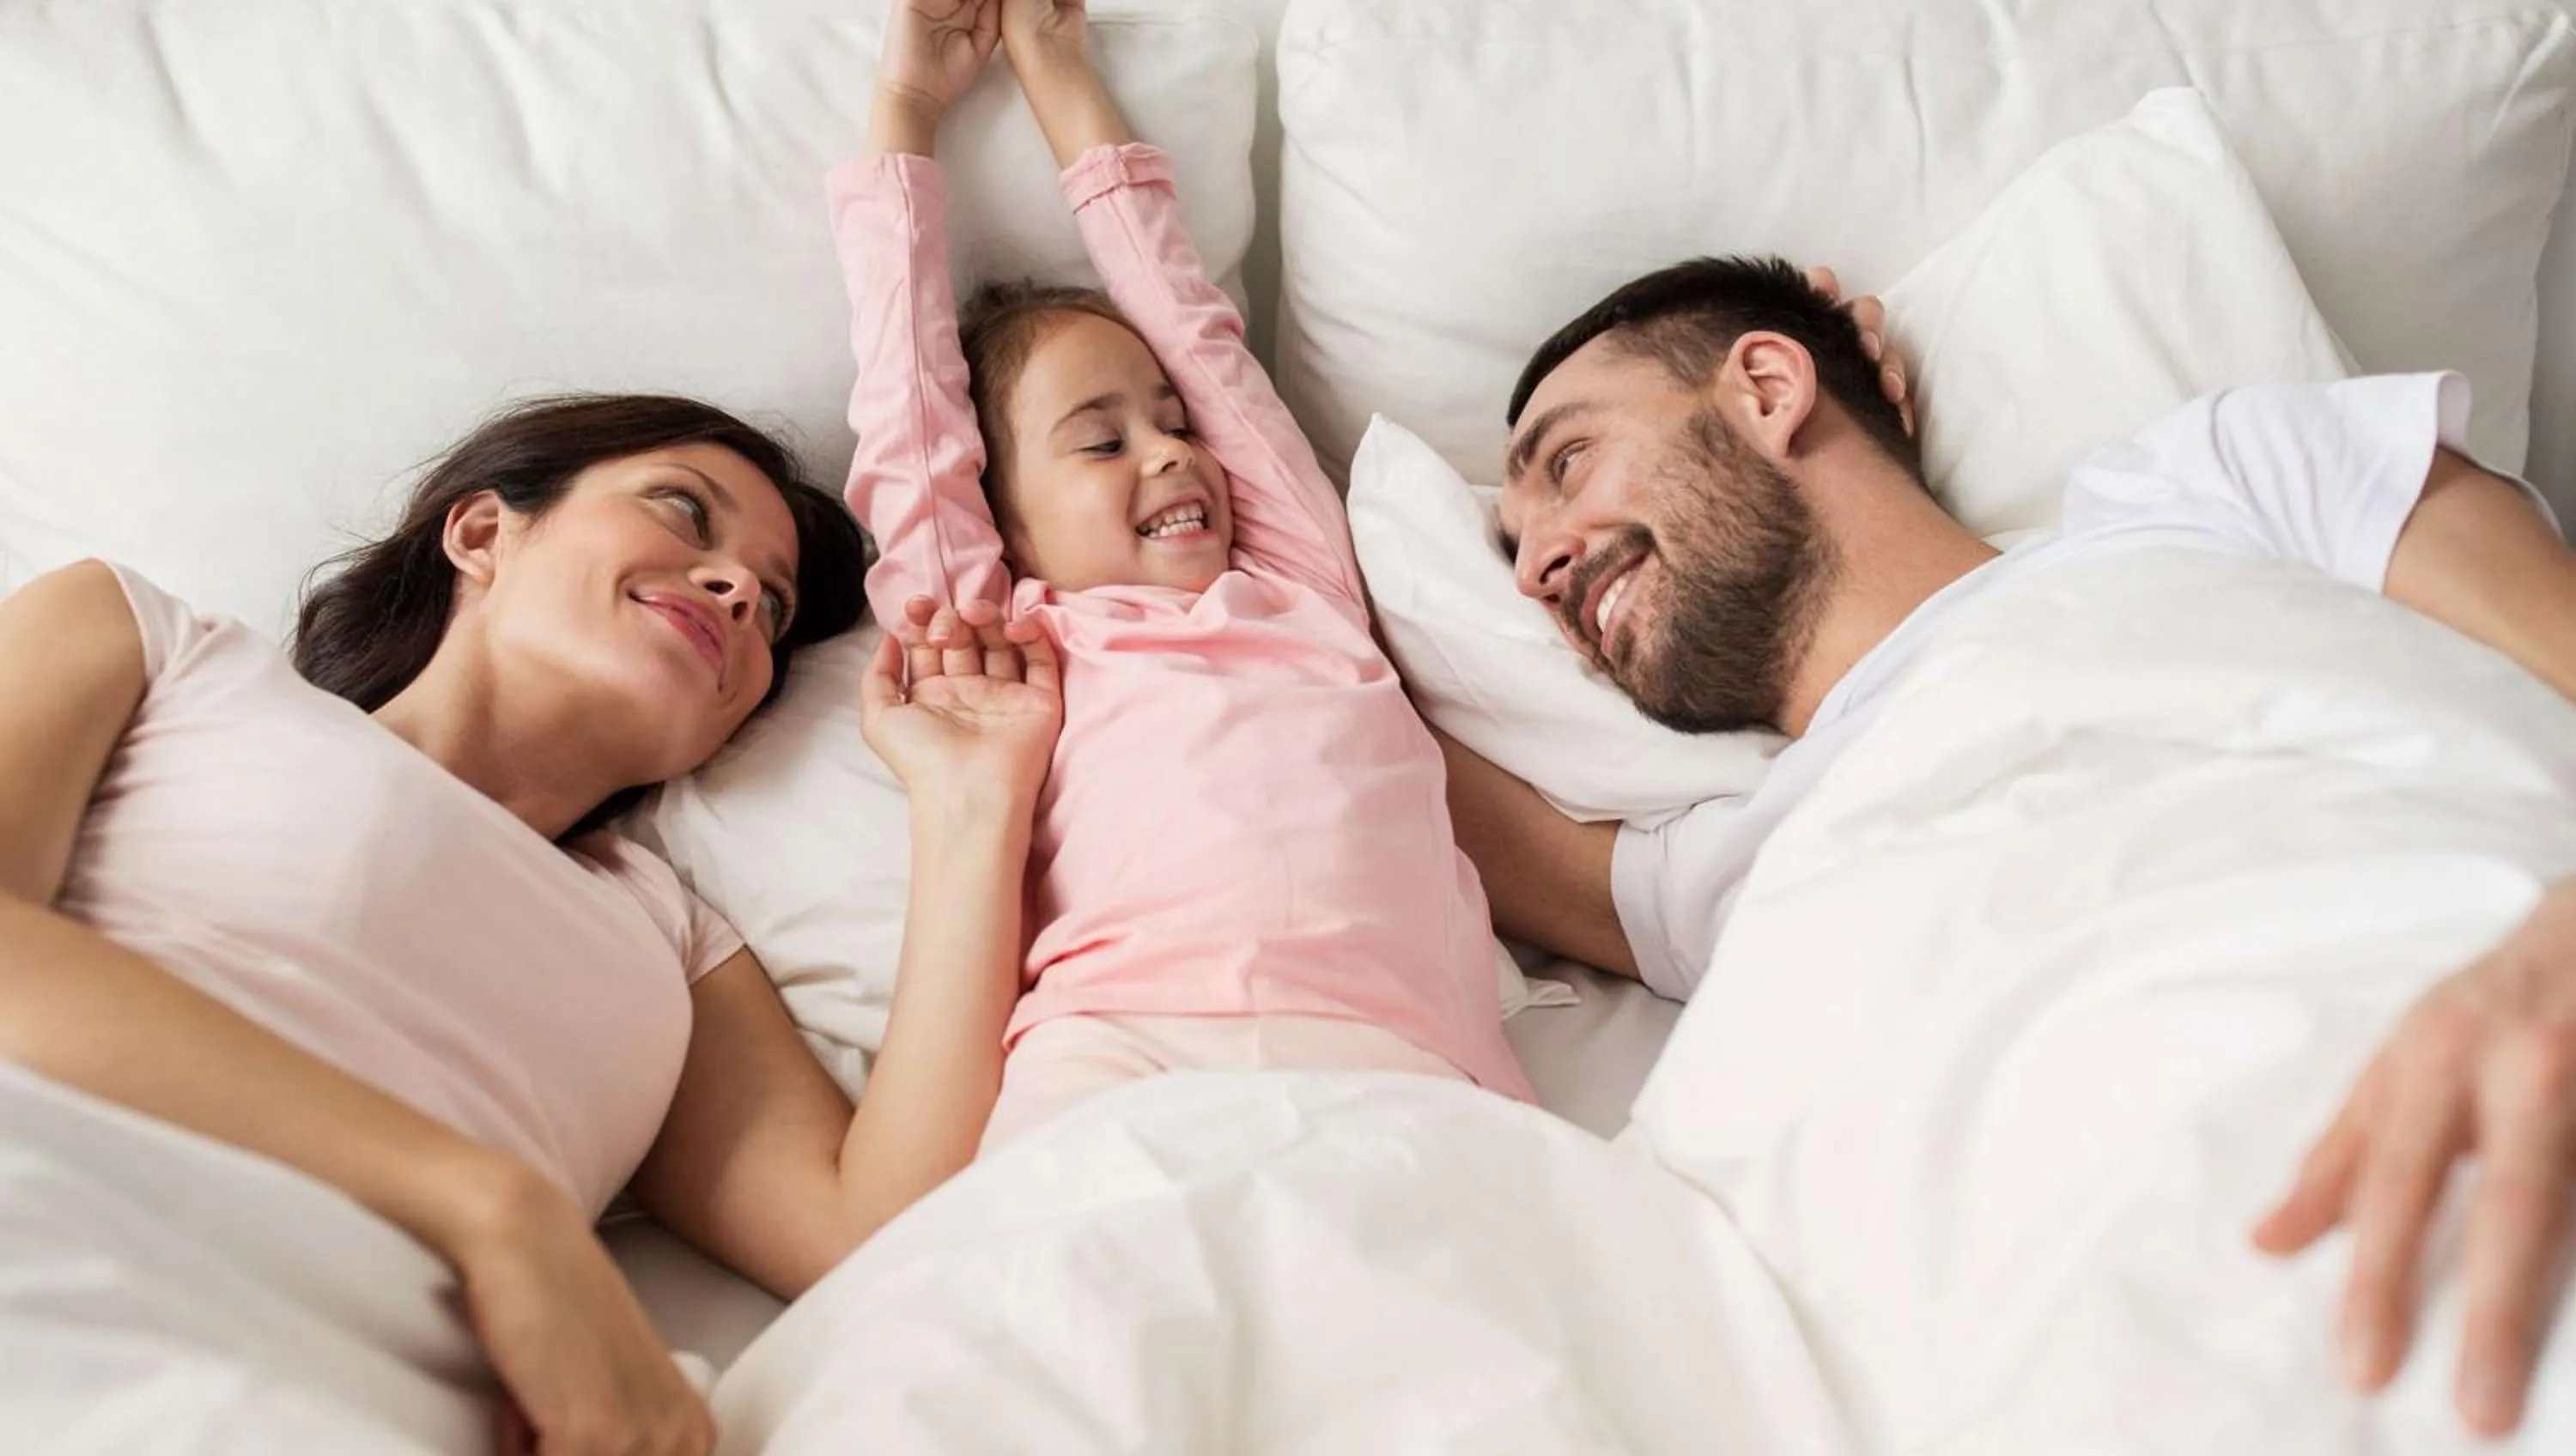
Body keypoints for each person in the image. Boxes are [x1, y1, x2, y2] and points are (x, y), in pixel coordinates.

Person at [1438, 253, 2576, 1437]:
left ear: (1769, 388)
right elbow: (1340, 734)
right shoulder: (1712, 873)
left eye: (1567, 464)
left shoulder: (2213, 491)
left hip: (2444, 1114)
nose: (1536, 565)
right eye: (1513, 549)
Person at [0, 392, 1062, 1452]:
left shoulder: (667, 943)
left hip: (337, 1402)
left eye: (775, 613)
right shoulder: (154, 649)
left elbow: (875, 1234)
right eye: (685, 514)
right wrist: (483, 1204)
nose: (740, 589)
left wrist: (972, 804)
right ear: (480, 531)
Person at [836, 0, 1535, 1149]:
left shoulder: (1303, 581)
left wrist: (1063, 79)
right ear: (998, 518)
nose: (1169, 450)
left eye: (1172, 426)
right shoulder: (1003, 641)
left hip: (1408, 1049)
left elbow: (1194, 330)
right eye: (1101, 442)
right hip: (1121, 1040)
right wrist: (906, 109)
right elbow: (904, 411)